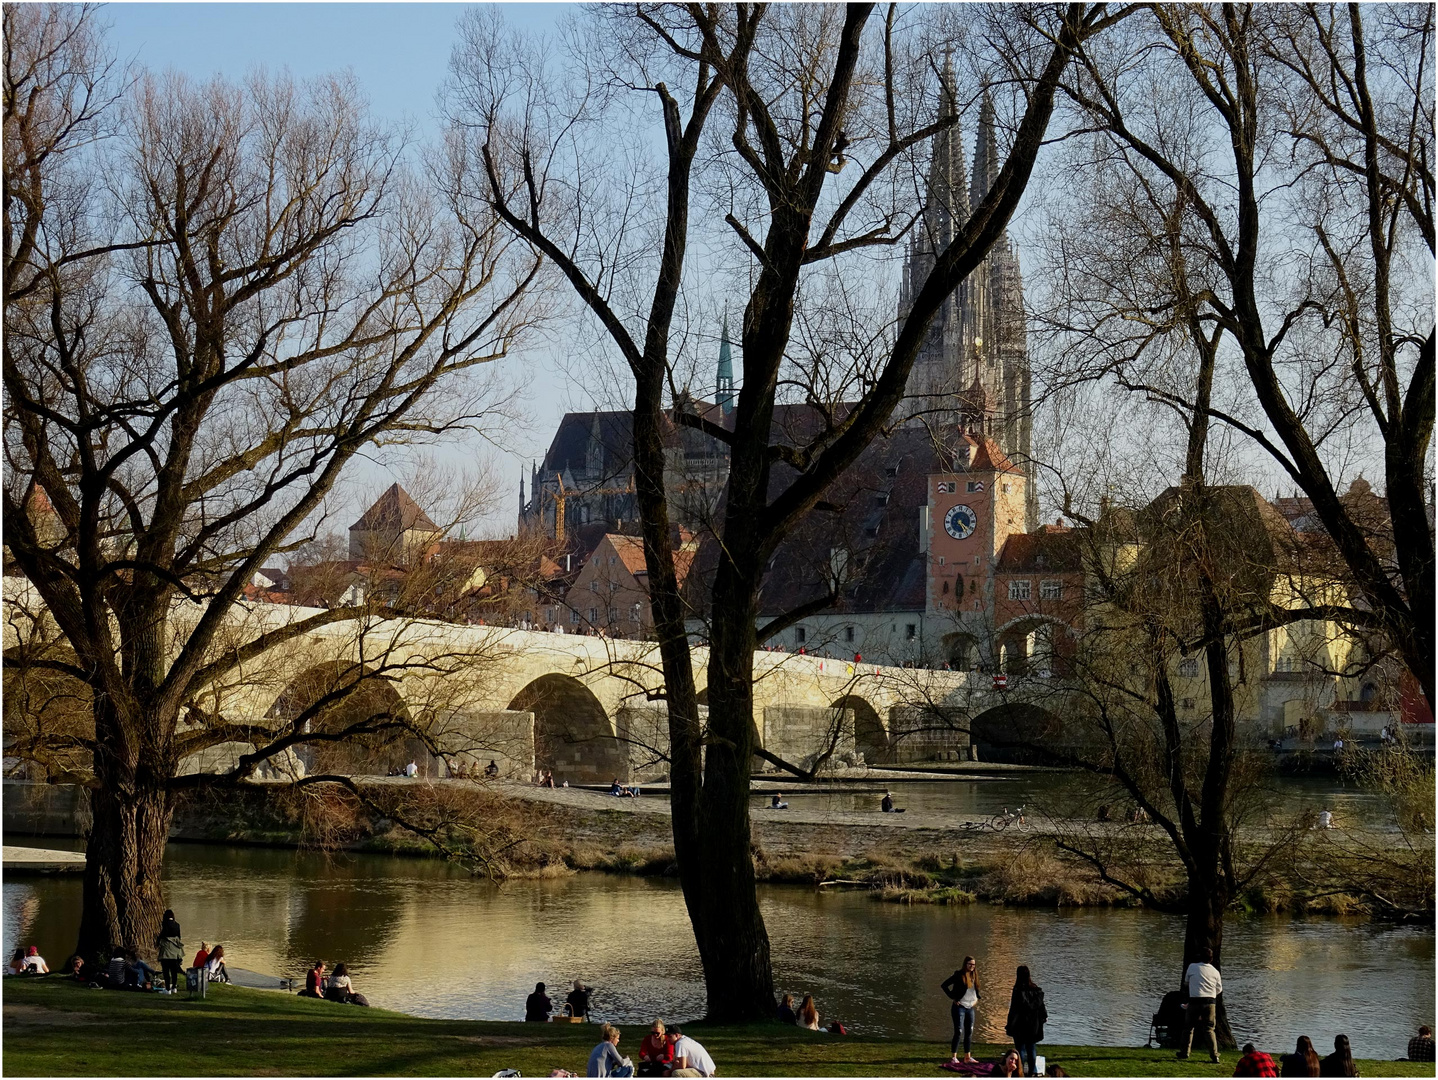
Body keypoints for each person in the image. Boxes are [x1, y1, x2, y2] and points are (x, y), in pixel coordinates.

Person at [1178, 947, 1222, 1064]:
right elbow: (1219, 989)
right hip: (1210, 1002)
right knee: (1209, 1029)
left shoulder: (1192, 967)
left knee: (1188, 1028)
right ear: (1211, 959)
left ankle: (1185, 1052)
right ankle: (1214, 1055)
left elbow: (1186, 983)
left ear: (1199, 957)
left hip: (1195, 1001)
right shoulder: (1215, 971)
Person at [1004, 965, 1047, 1078]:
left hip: (1020, 1024)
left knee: (1020, 1049)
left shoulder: (1018, 991)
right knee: (1031, 1047)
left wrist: (1010, 1024)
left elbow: (1013, 1009)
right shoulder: (1036, 990)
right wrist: (1043, 1017)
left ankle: (1020, 1072)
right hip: (1033, 1024)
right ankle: (1032, 1072)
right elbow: (1041, 1006)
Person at [942, 956, 981, 1064]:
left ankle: (967, 1056)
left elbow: (976, 991)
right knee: (958, 1031)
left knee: (969, 1032)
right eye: (970, 964)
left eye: (973, 964)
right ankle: (954, 1057)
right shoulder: (959, 975)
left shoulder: (975, 975)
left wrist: (977, 999)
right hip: (960, 1007)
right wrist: (953, 997)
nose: (972, 966)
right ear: (965, 964)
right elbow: (944, 985)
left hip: (970, 1007)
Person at [155, 909, 185, 993]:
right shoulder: (177, 925)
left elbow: (162, 935)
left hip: (166, 951)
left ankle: (167, 989)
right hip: (175, 951)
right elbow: (179, 937)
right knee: (174, 971)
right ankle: (174, 987)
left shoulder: (165, 924)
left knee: (166, 971)